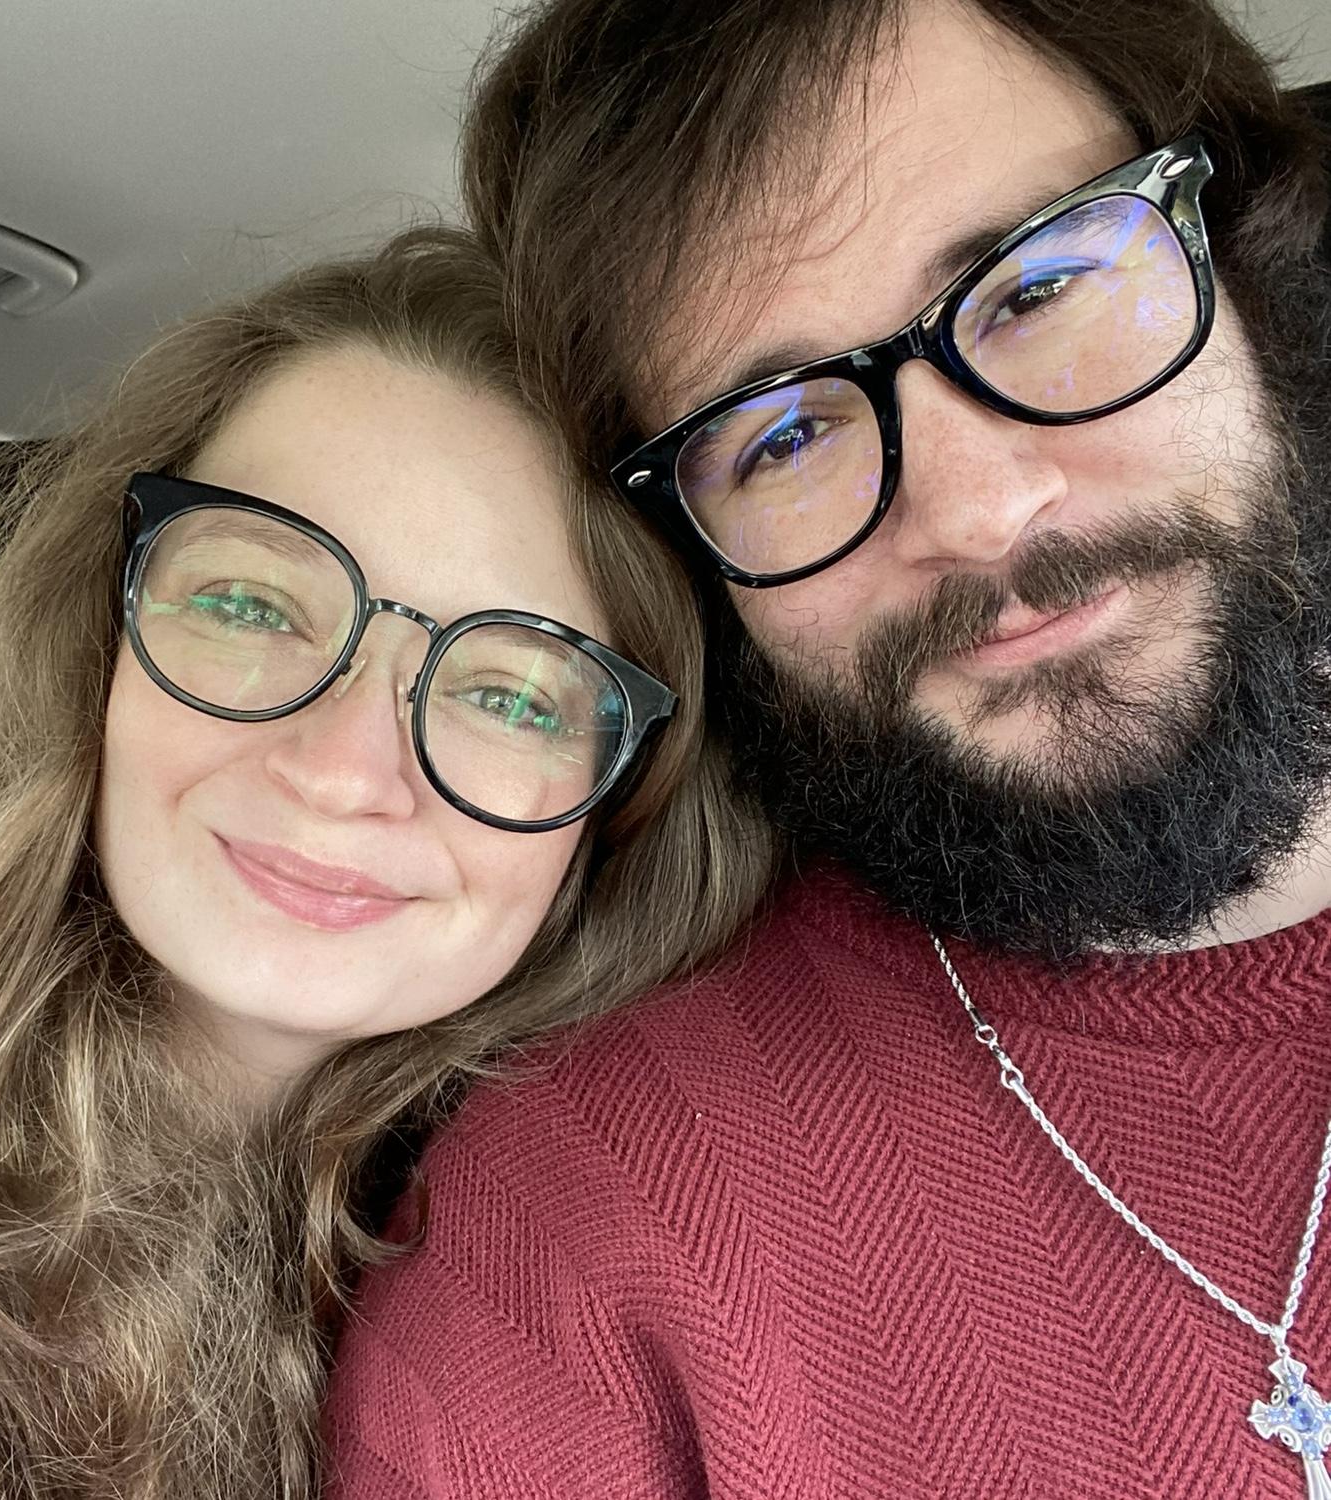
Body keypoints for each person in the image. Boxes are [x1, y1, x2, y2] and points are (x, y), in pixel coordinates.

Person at [324, 4, 1331, 1497]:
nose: (978, 512)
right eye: (782, 437)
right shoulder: (571, 1250)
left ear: (1241, 262)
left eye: (1043, 285)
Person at [0, 227, 770, 1499]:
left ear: (621, 809)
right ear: (98, 635)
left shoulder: (596, 1291)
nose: (341, 772)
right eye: (250, 606)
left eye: (511, 696)